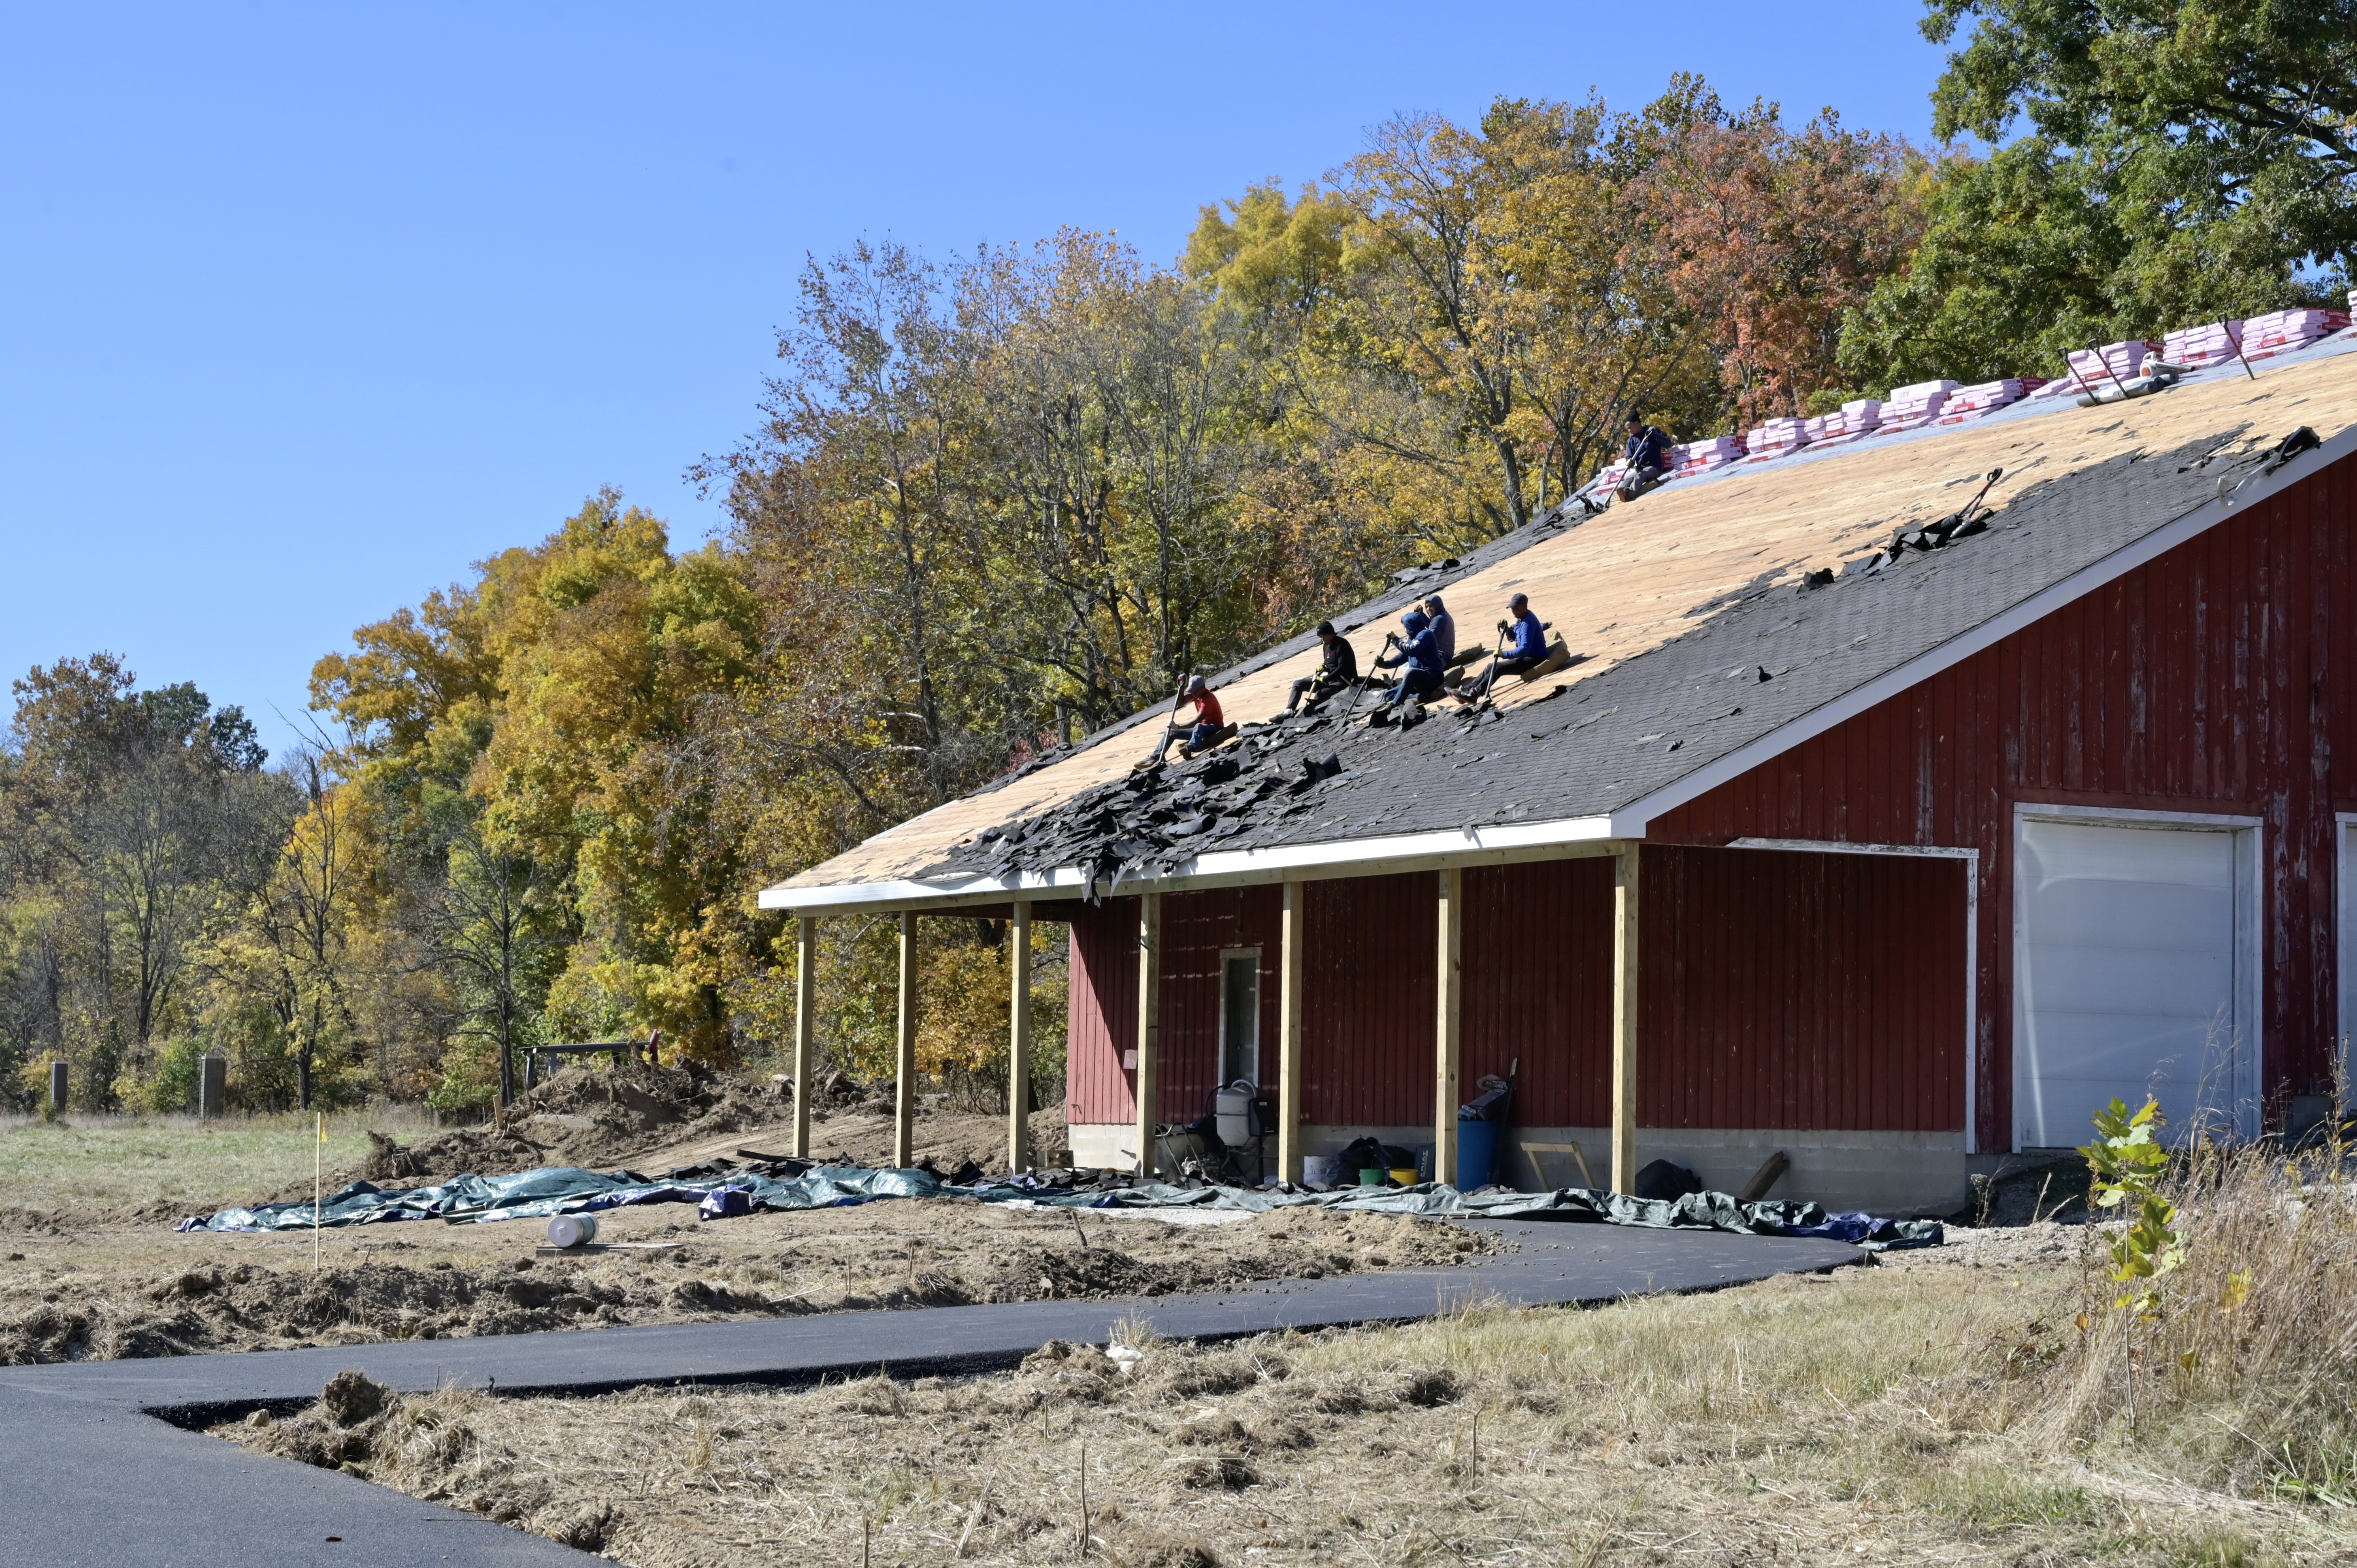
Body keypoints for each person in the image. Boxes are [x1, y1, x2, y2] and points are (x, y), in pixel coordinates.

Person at [1460, 593, 1550, 700]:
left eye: (1516, 609)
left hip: (1534, 659)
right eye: (1512, 609)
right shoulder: (1521, 619)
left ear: (1525, 607)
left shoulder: (1528, 624)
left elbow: (1525, 649)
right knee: (1490, 666)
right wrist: (1507, 630)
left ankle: (1475, 694)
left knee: (1499, 668)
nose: (1513, 612)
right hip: (1527, 656)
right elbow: (1517, 637)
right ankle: (1469, 688)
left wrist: (1504, 654)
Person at [1371, 608, 1444, 715]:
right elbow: (1400, 658)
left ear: (1411, 626)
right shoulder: (1412, 640)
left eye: (1405, 628)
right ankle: (1417, 697)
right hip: (1417, 684)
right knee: (1389, 695)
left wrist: (1396, 640)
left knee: (1411, 673)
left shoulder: (1426, 635)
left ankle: (1394, 705)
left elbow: (1411, 650)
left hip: (1432, 678)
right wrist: (1383, 664)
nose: (1405, 631)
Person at [1284, 621, 1359, 714]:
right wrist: (1324, 666)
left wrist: (1324, 679)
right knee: (1298, 683)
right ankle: (1289, 710)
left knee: (1321, 693)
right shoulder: (1326, 646)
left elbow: (1342, 668)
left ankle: (1312, 712)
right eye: (1320, 636)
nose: (1322, 638)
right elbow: (1329, 664)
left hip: (1344, 682)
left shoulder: (1342, 645)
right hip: (1330, 681)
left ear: (1331, 634)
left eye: (1324, 635)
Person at [1617, 411, 1673, 501]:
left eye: (1630, 427)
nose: (1629, 430)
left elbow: (1668, 444)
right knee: (1628, 480)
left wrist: (1656, 434)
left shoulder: (1651, 432)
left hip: (1654, 468)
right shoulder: (1631, 441)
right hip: (1640, 468)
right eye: (1627, 429)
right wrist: (1629, 461)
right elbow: (1629, 456)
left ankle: (1630, 494)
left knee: (1640, 476)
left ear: (1637, 423)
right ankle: (1621, 492)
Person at [1164, 675, 1225, 757]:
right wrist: (1182, 687)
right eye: (1192, 691)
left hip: (1215, 727)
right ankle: (1156, 756)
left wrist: (1177, 726)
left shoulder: (1209, 699)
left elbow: (1197, 721)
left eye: (1195, 691)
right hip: (1201, 729)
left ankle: (1190, 748)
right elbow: (1181, 703)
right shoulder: (1196, 694)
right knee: (1172, 732)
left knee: (1198, 726)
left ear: (1203, 688)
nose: (1193, 693)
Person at [1421, 594, 1457, 666]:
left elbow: (1429, 639)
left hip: (1441, 658)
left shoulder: (1439, 620)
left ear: (1437, 606)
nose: (1429, 609)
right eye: (1427, 607)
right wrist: (1421, 615)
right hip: (1447, 654)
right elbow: (1432, 627)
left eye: (1431, 606)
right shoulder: (1442, 615)